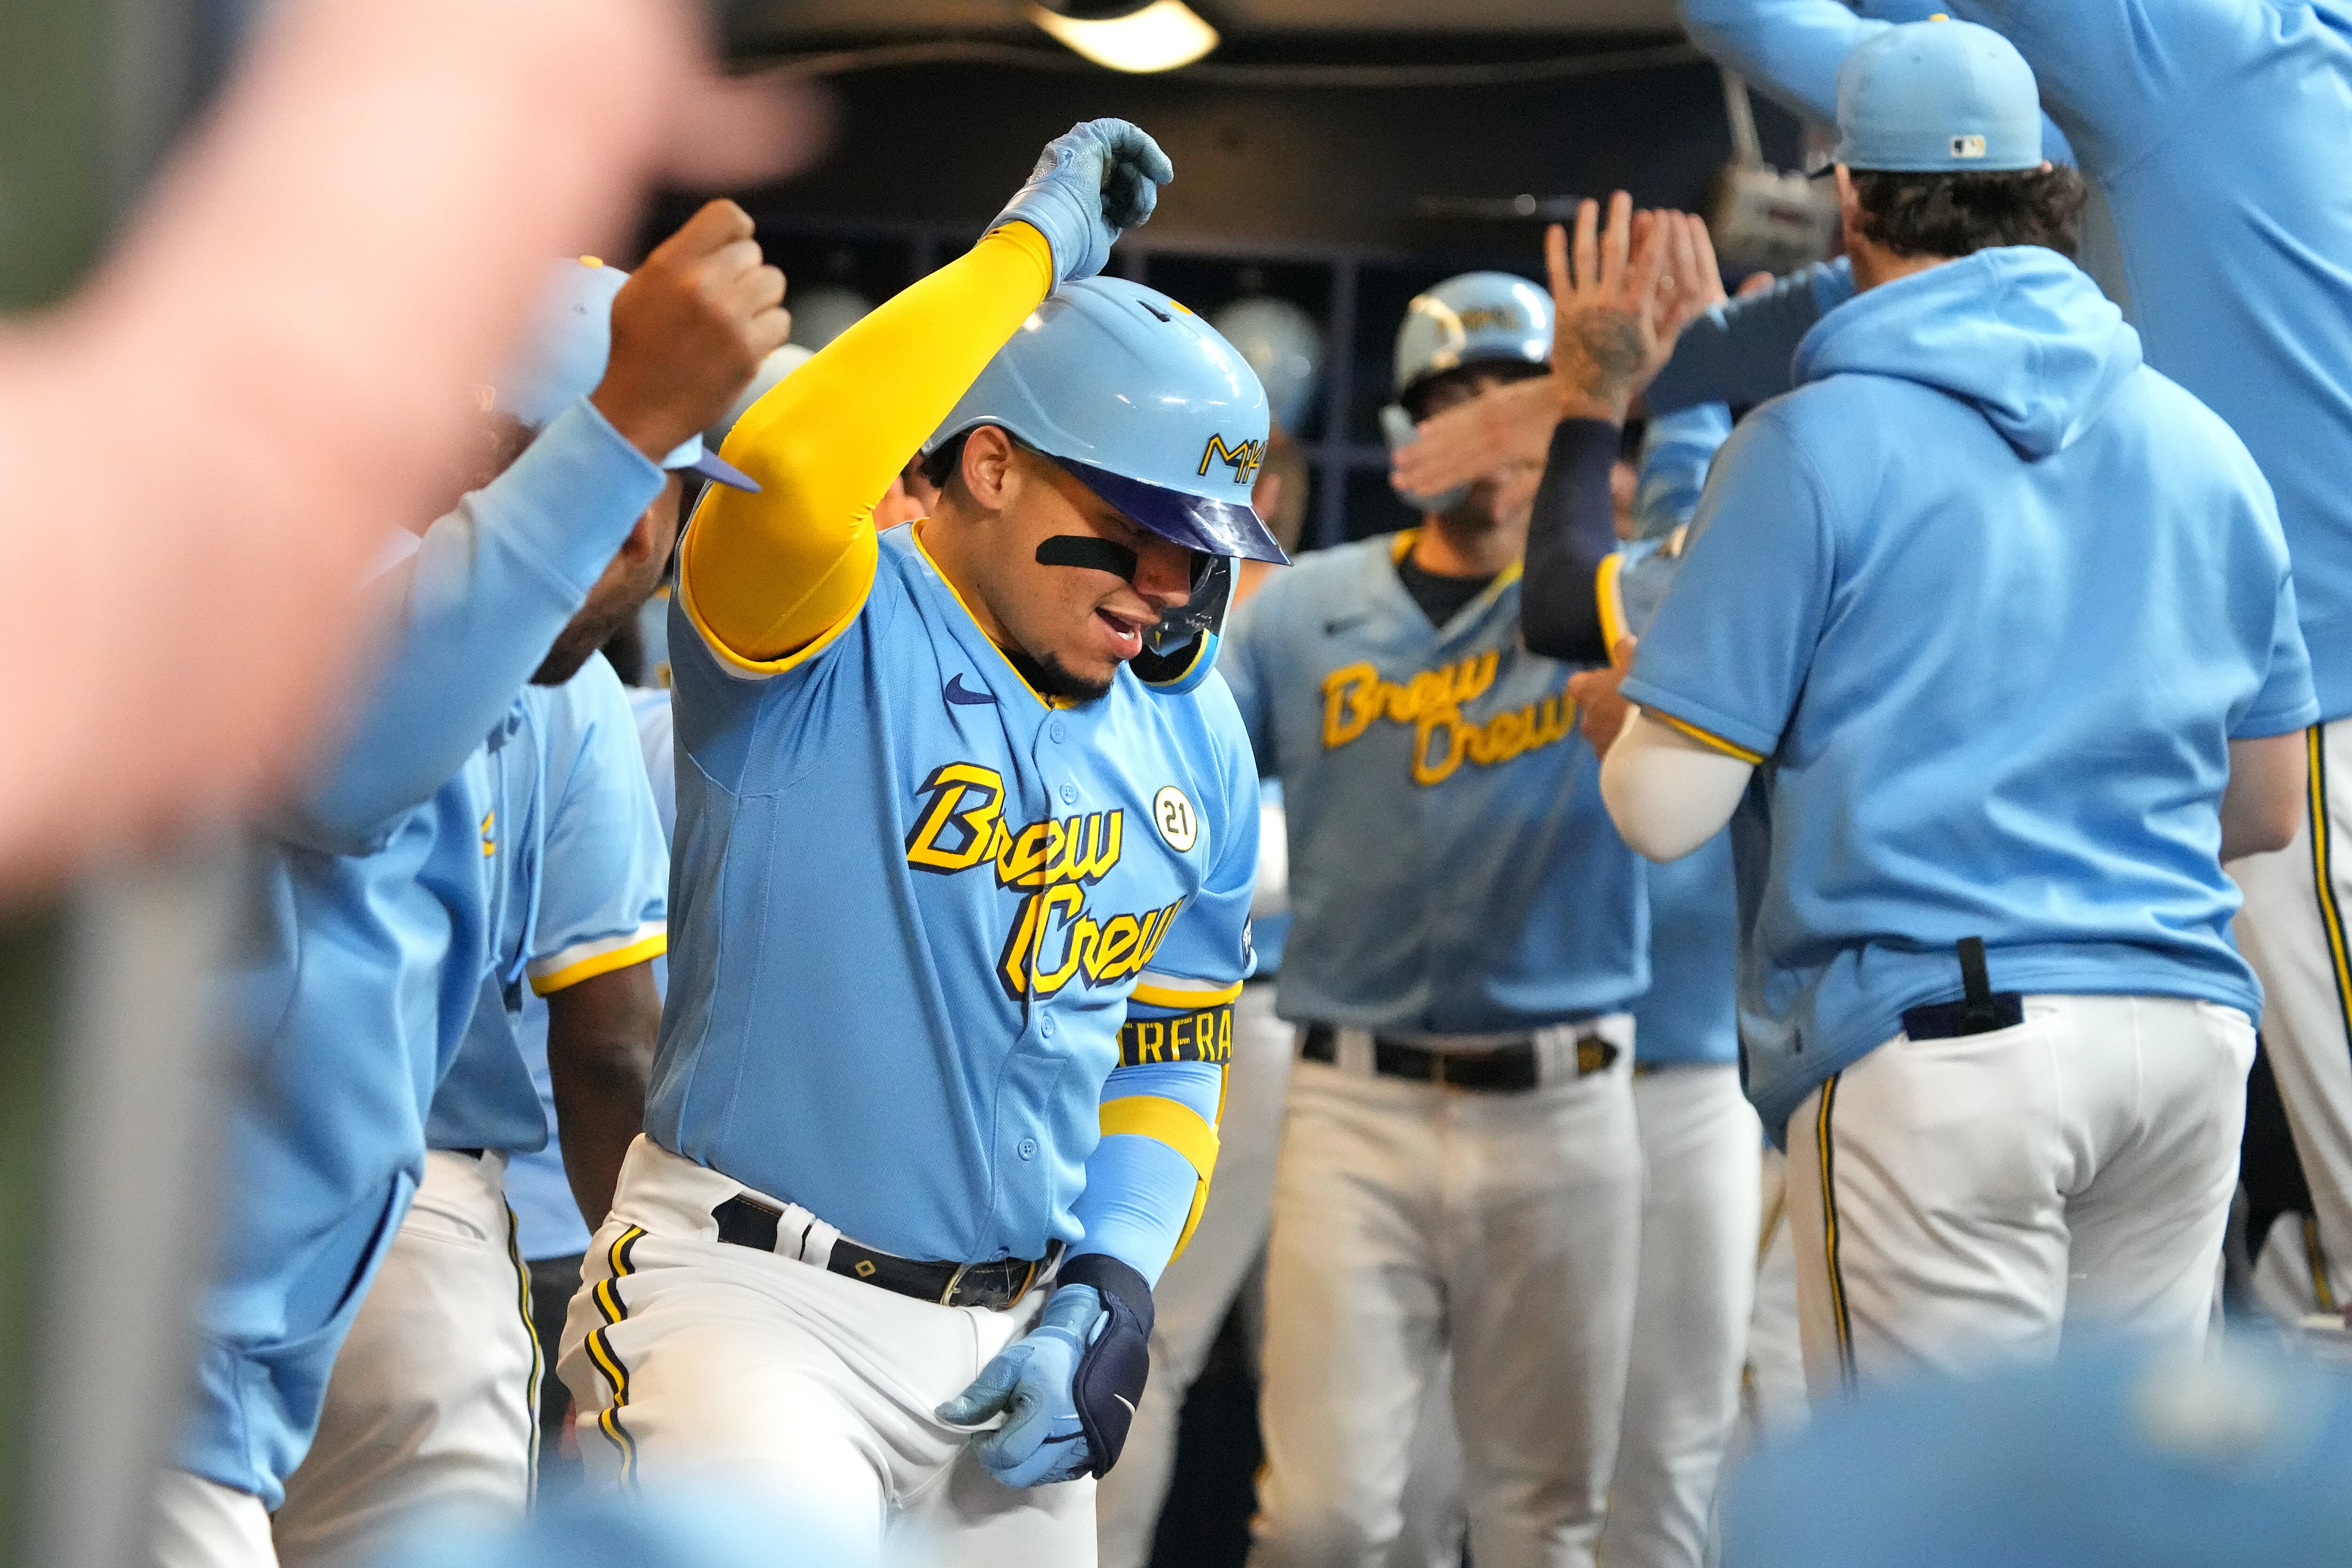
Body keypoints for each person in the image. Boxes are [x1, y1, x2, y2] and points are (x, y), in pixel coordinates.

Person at [555, 119, 1283, 1560]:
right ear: (992, 466)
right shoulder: (824, 616)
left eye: (1199, 548)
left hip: (1007, 1338)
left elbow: (1172, 1049)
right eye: (1135, 525)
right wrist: (1024, 260)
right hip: (748, 1299)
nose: (1168, 583)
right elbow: (785, 461)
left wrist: (1118, 1282)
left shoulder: (1192, 728)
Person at [1577, 21, 2313, 1392]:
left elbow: (1667, 813)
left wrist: (1640, 712)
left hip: (1945, 1034)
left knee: (1930, 1522)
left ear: (1850, 199)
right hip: (2185, 1035)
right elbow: (2266, 808)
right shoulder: (2204, 443)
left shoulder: (1805, 442)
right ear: (2050, 189)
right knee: (2113, 1516)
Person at [153, 203, 785, 1568]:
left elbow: (609, 1025)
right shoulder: (295, 587)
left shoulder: (557, 692)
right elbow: (346, 757)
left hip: (307, 1306)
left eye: (665, 492)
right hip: (130, 1327)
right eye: (609, 483)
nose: (646, 542)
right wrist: (617, 428)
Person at [1222, 252, 1650, 1568]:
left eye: (1518, 394)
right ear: (1408, 423)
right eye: (1452, 394)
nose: (1485, 424)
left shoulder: (1621, 605)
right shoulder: (1300, 609)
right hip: (1354, 1103)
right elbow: (1182, 805)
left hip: (1567, 1101)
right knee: (1323, 1518)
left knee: (1542, 1520)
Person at [273, 259, 688, 1559]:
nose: (653, 543)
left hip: (242, 1206)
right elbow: (609, 1046)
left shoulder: (265, 569)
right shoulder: (566, 691)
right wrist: (625, 1341)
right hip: (406, 1228)